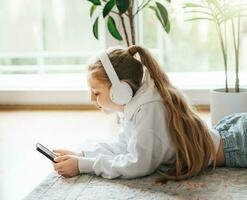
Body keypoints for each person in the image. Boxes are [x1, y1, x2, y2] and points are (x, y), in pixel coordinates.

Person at [52, 45, 247, 183]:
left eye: (96, 93)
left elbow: (137, 164)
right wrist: (82, 155)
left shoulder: (149, 109)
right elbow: (123, 144)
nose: (91, 99)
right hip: (229, 131)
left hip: (237, 146)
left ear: (120, 90)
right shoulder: (138, 103)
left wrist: (85, 165)